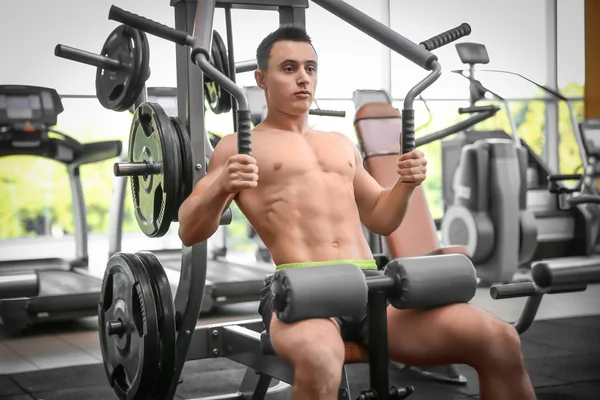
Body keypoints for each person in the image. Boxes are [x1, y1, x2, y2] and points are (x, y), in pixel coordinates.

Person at [178, 25, 536, 400]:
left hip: (373, 291)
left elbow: (381, 217)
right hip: (301, 293)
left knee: (500, 339)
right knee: (320, 363)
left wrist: (405, 186)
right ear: (261, 79)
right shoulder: (239, 146)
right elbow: (190, 230)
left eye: (310, 68)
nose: (303, 78)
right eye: (289, 68)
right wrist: (221, 185)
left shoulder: (340, 144)